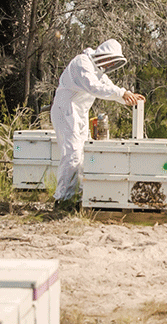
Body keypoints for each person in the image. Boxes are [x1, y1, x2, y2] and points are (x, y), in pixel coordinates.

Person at [51, 39, 144, 208]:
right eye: (111, 59)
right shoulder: (82, 63)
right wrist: (122, 93)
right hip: (65, 110)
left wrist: (128, 97)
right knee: (72, 155)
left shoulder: (98, 72)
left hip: (79, 114)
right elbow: (94, 87)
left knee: (83, 154)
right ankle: (63, 199)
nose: (111, 64)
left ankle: (78, 196)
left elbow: (109, 87)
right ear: (103, 54)